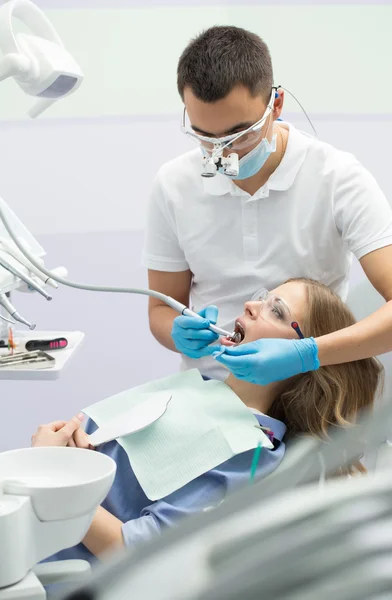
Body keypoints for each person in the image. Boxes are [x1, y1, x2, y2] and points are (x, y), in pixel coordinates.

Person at [32, 278, 382, 565]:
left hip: (39, 561)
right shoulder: (197, 389)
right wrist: (66, 448)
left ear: (301, 356)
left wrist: (52, 471)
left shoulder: (253, 452)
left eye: (276, 311)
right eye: (263, 297)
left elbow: (139, 553)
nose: (251, 305)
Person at [143, 25, 392, 384]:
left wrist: (307, 355)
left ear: (276, 104)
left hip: (310, 388)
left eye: (240, 135)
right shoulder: (173, 186)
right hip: (210, 390)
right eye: (205, 137)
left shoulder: (337, 179)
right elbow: (160, 309)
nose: (222, 154)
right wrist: (177, 333)